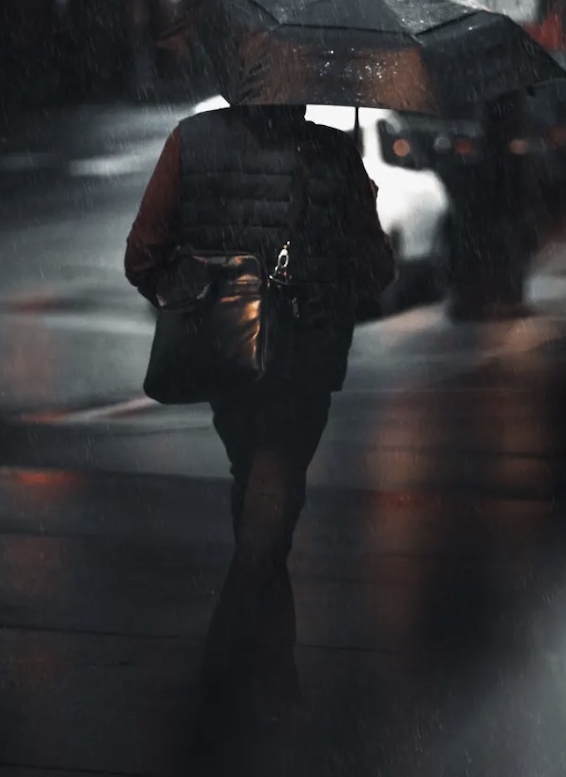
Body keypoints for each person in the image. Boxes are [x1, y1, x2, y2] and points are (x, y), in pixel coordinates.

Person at [124, 103, 395, 722]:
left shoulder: (190, 143)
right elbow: (376, 272)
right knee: (269, 511)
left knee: (254, 492)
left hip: (227, 356)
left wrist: (199, 294)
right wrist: (356, 203)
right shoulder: (332, 152)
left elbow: (143, 256)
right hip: (305, 361)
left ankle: (269, 672)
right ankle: (233, 676)